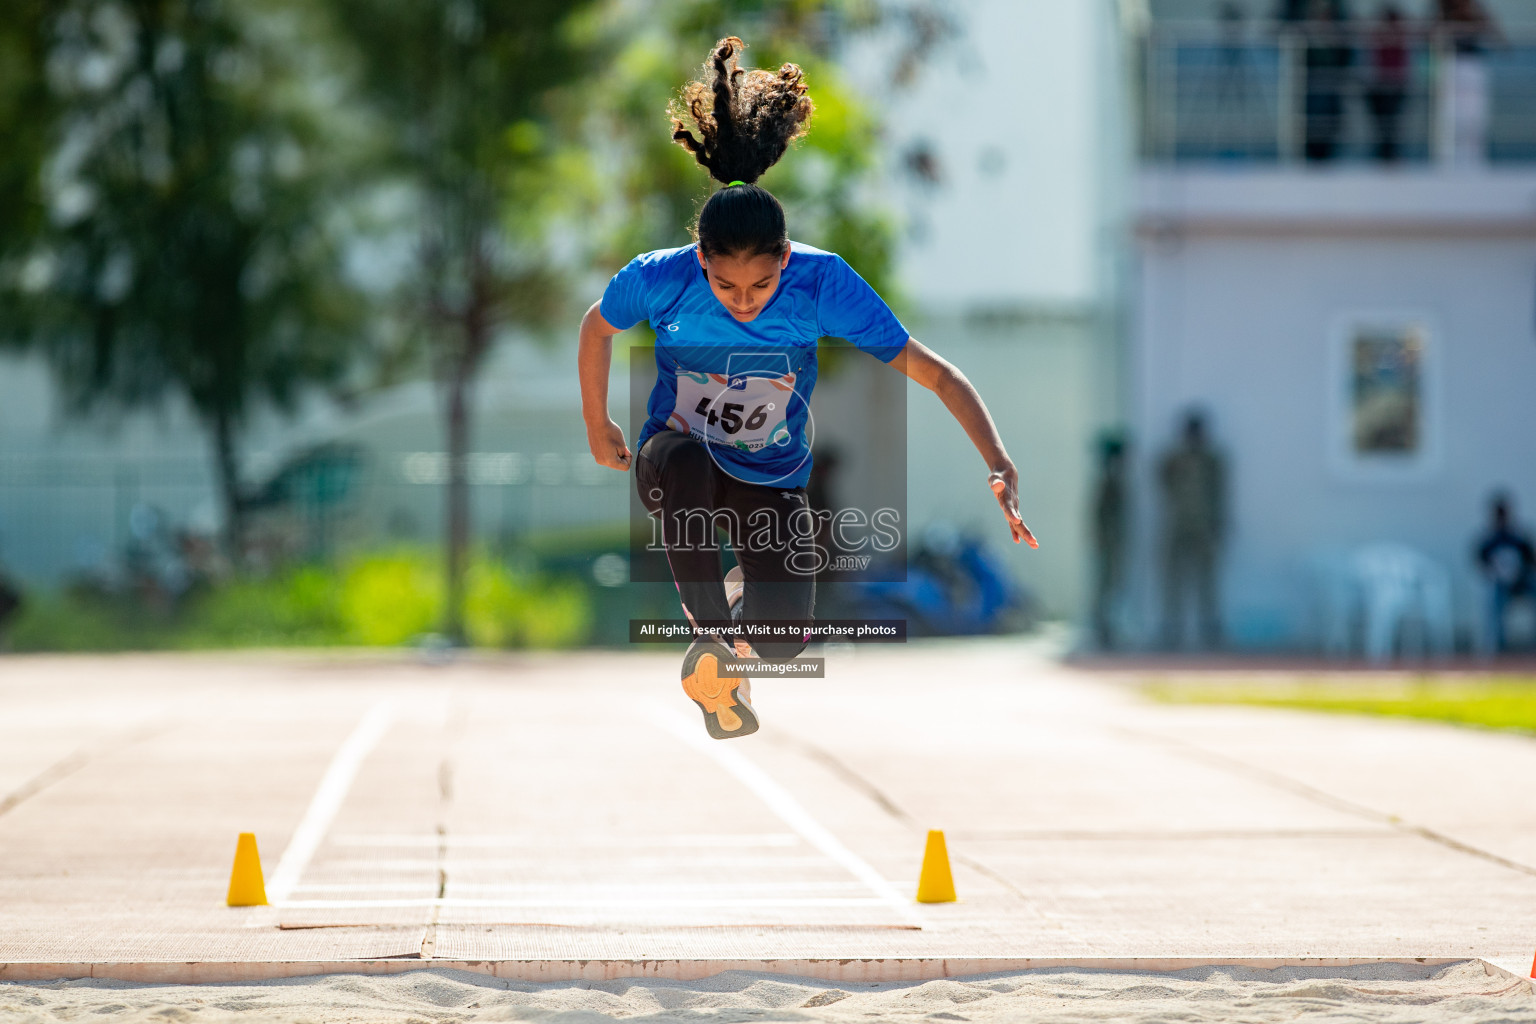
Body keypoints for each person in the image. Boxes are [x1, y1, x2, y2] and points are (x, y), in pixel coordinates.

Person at [578, 37, 1037, 740]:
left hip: (770, 478)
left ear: (785, 261)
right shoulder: (660, 276)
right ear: (699, 261)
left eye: (761, 285)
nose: (743, 301)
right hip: (677, 465)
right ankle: (707, 634)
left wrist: (997, 461)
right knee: (688, 459)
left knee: (786, 641)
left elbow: (936, 373)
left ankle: (734, 629)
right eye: (724, 285)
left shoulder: (822, 284)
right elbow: (595, 328)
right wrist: (598, 425)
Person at [1158, 411, 1226, 650]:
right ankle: (1171, 628)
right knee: (1173, 579)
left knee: (1206, 580)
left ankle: (1209, 629)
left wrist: (1218, 523)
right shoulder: (1174, 459)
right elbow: (1162, 483)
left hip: (1204, 526)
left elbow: (1220, 493)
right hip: (1178, 524)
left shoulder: (1212, 461)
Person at [1434, 0, 1499, 166]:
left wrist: (1479, 21)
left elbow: (1497, 36)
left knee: (1475, 115)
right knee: (1450, 114)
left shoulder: (1478, 14)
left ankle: (1475, 159)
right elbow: (1435, 38)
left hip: (1473, 66)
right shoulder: (1444, 13)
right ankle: (1447, 158)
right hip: (1452, 65)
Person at [1474, 493, 1535, 653]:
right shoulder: (1488, 539)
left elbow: (1531, 559)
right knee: (1495, 598)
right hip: (1500, 584)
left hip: (1521, 581)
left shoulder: (1518, 536)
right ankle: (1499, 646)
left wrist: (1519, 572)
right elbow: (1480, 562)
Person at [1090, 434, 1128, 651]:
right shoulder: (1109, 483)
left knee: (1111, 587)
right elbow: (1101, 516)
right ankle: (1104, 631)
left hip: (1113, 544)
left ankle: (1107, 630)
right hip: (1109, 545)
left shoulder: (1113, 481)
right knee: (1107, 588)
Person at [1365, 4, 1411, 163]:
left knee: (1392, 121)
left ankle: (1390, 154)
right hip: (1377, 83)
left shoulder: (1401, 35)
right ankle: (1382, 154)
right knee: (1380, 122)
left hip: (1396, 83)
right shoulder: (1376, 34)